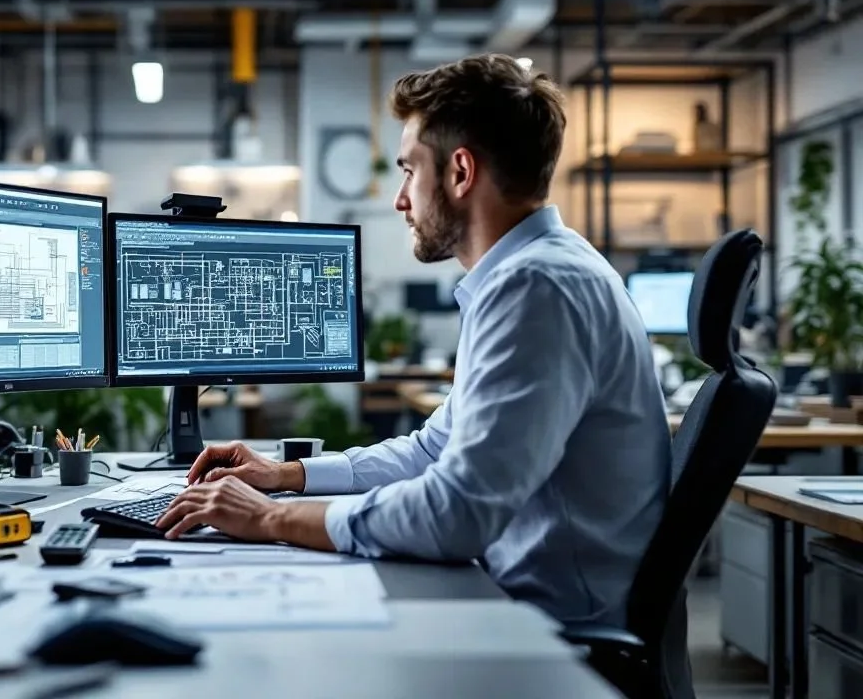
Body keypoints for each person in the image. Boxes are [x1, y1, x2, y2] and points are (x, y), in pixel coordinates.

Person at [154, 53, 672, 628]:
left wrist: (272, 519)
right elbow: (433, 452)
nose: (401, 200)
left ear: (459, 173)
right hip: (515, 599)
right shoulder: (534, 272)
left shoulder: (537, 288)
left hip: (552, 632)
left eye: (408, 170)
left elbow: (458, 514)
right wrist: (287, 478)